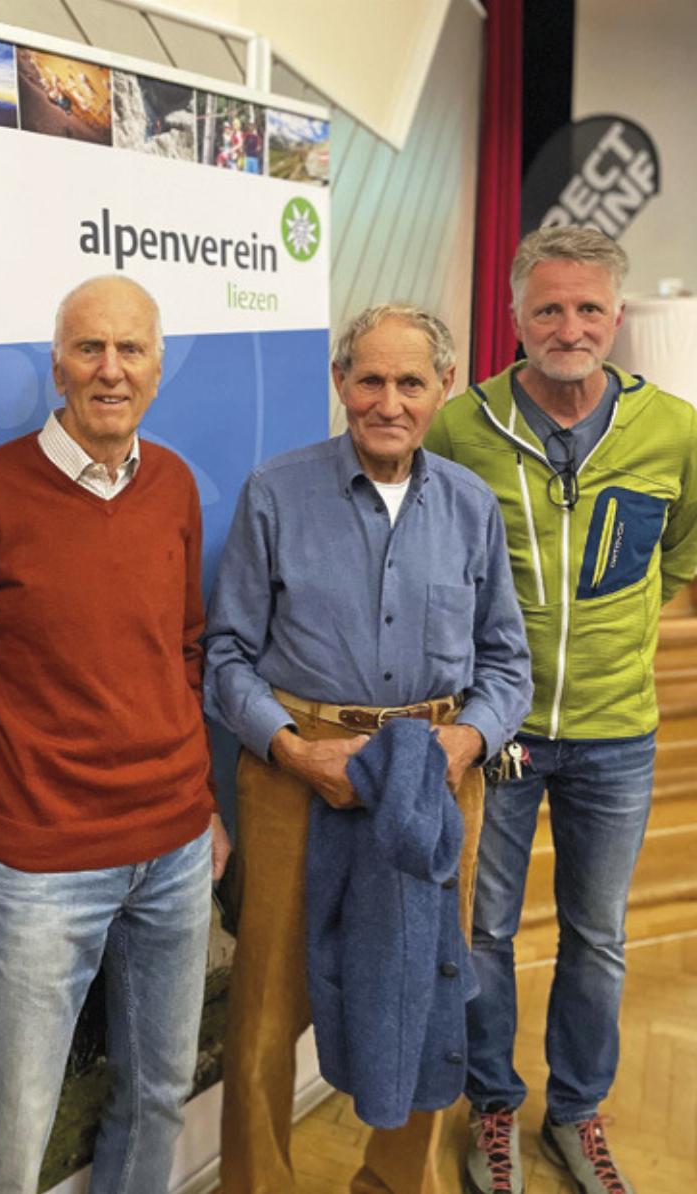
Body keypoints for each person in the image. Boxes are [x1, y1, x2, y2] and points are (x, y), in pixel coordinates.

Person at [205, 303, 531, 1194]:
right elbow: (226, 655)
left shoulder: (471, 506)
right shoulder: (275, 493)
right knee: (267, 1003)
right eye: (371, 380)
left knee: (428, 990)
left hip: (434, 775)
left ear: (443, 388)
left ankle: (395, 1180)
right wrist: (289, 749)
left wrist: (467, 740)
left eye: (411, 382)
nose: (390, 402)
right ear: (340, 382)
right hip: (294, 774)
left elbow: (507, 663)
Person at [0, 274, 231, 1194]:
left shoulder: (173, 485)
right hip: (41, 865)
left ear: (158, 370)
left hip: (174, 850)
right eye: (90, 348)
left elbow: (181, 652)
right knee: (14, 1122)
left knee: (159, 1093)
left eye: (131, 349)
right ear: (58, 366)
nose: (110, 369)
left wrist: (204, 803)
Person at [426, 226, 697, 1194]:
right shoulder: (461, 427)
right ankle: (493, 1107)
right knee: (483, 932)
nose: (568, 327)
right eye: (548, 308)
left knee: (598, 935)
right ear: (515, 317)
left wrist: (624, 633)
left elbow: (682, 550)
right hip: (496, 731)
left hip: (617, 734)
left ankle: (577, 1112)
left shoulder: (675, 430)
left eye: (587, 309)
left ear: (615, 317)